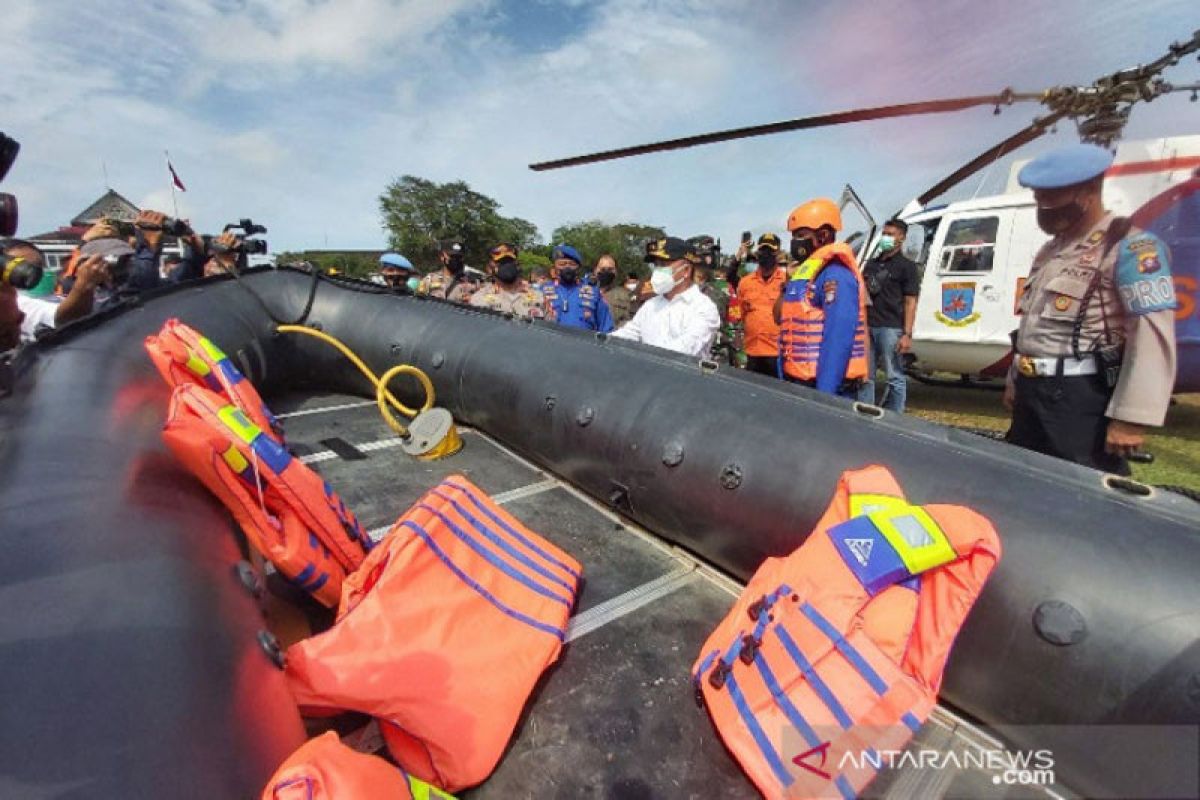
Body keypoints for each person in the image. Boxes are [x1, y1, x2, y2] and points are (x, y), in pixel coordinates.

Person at [1005, 143, 1176, 475]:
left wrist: (1132, 416)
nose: (1043, 208)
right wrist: (1016, 377)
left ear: (1088, 192)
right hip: (1033, 392)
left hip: (1081, 398)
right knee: (1023, 483)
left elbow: (1152, 336)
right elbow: (1034, 325)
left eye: (1052, 199)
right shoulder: (1051, 250)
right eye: (1039, 199)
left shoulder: (1130, 248)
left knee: (1081, 492)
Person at [774, 198, 868, 398]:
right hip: (799, 380)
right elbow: (782, 319)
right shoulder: (805, 273)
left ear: (823, 235)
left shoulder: (836, 274)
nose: (795, 242)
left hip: (825, 386)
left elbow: (837, 338)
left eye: (800, 235)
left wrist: (824, 398)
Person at [612, 237, 720, 356]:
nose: (658, 270)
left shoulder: (703, 308)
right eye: (656, 265)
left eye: (664, 264)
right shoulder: (650, 305)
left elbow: (684, 349)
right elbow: (627, 334)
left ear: (686, 270)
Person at [857, 219, 920, 411]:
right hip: (869, 326)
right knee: (866, 374)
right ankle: (865, 411)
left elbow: (911, 302)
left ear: (901, 238)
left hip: (891, 327)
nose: (886, 238)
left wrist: (907, 334)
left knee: (894, 376)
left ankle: (896, 416)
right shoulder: (871, 265)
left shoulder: (907, 267)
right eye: (884, 234)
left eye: (891, 234)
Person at [1, 238, 110, 346]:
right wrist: (85, 284)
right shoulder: (15, 302)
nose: (34, 271)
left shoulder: (58, 296)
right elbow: (66, 319)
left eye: (39, 264)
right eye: (23, 267)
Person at [735, 233, 786, 376]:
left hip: (777, 353)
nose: (766, 254)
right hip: (752, 352)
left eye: (770, 251)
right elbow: (741, 315)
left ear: (778, 253)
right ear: (757, 252)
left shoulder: (786, 280)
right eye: (763, 250)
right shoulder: (745, 282)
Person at [542, 244, 613, 332]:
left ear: (578, 268)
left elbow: (606, 328)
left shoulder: (593, 292)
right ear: (555, 267)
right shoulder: (543, 291)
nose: (567, 267)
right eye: (562, 264)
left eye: (572, 264)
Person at [470, 243, 546, 319]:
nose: (506, 266)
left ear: (518, 265)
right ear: (489, 269)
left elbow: (549, 327)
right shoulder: (479, 298)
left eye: (510, 261)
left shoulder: (539, 297)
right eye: (501, 262)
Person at [594, 254, 634, 328]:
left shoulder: (627, 296)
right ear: (595, 270)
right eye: (602, 269)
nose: (606, 272)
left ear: (616, 272)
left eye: (610, 269)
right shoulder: (586, 292)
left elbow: (632, 324)